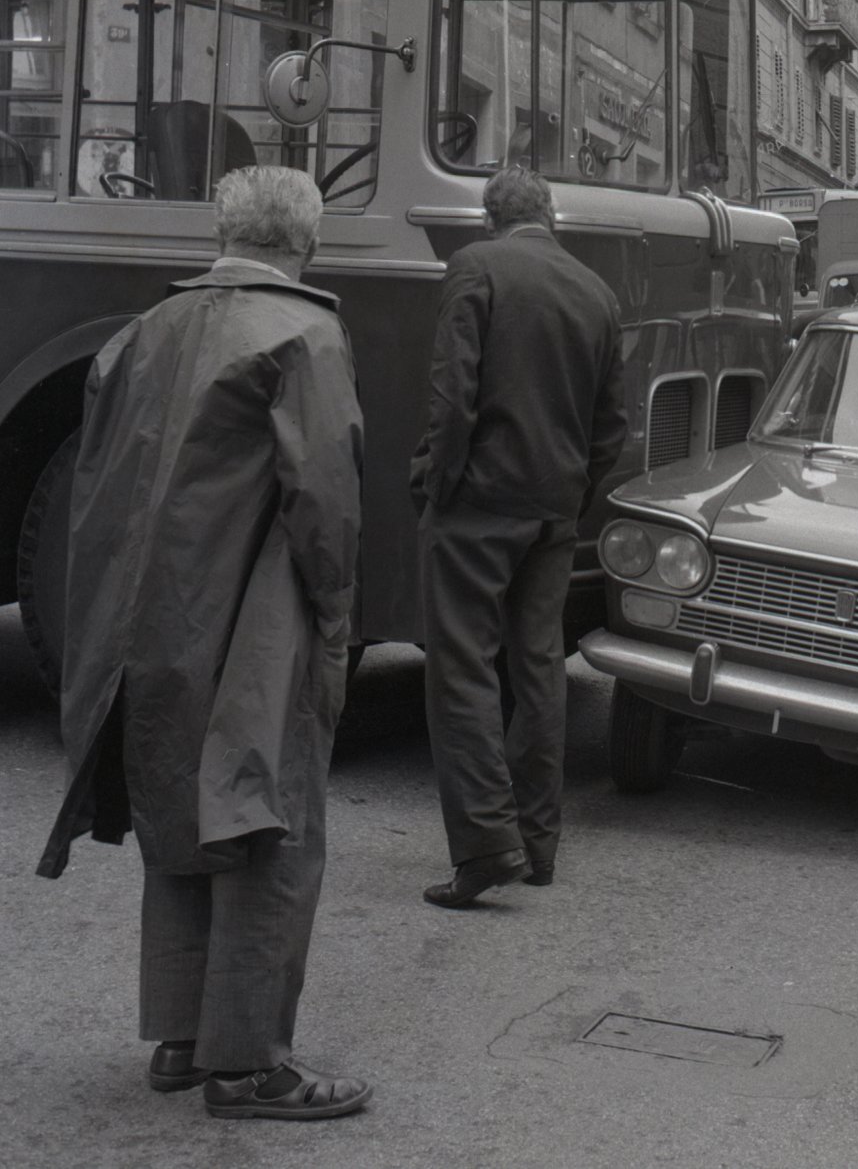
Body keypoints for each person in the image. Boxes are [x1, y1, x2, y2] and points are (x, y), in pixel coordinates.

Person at [37, 166, 370, 1121]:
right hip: (258, 618)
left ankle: (183, 1038)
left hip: (145, 617)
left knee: (180, 810)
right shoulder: (304, 335)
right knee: (268, 822)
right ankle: (249, 1062)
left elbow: (96, 489)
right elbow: (325, 505)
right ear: (307, 242)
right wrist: (336, 622)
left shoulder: (142, 332)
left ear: (223, 234)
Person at [414, 166, 628, 908]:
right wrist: (571, 493)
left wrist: (438, 482)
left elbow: (452, 394)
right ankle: (538, 845)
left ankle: (484, 845)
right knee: (539, 668)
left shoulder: (475, 267)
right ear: (551, 216)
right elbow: (611, 425)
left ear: (489, 218)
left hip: (479, 500)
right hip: (553, 508)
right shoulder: (596, 293)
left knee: (462, 667)